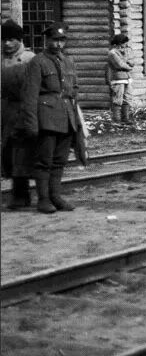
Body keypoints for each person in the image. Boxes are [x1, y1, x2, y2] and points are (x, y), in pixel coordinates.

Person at [20, 23, 83, 213]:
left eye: (61, 41)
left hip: (66, 118)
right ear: (46, 41)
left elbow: (74, 91)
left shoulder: (68, 62)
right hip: (46, 119)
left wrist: (77, 120)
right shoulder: (38, 62)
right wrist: (31, 123)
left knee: (59, 161)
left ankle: (56, 196)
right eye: (54, 40)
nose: (58, 45)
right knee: (44, 161)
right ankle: (44, 199)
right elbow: (30, 95)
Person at [2, 20, 36, 209]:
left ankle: (21, 195)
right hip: (4, 112)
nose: (7, 44)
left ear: (20, 40)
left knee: (21, 154)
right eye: (4, 40)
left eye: (12, 39)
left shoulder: (30, 58)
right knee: (7, 154)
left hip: (22, 110)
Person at [106, 33, 135, 125]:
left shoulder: (124, 51)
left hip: (127, 78)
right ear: (120, 42)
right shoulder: (112, 53)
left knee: (127, 98)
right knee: (118, 99)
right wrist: (129, 67)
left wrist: (129, 62)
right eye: (124, 43)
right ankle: (117, 120)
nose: (126, 45)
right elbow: (120, 64)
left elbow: (132, 61)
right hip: (117, 79)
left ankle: (125, 119)